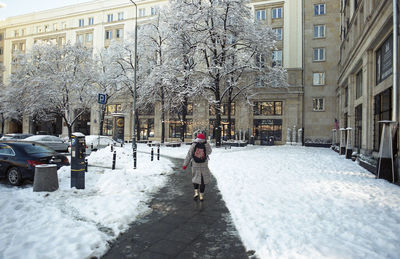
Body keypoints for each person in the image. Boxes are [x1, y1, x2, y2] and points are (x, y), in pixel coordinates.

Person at [182, 133, 212, 201]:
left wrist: (185, 165)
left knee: (195, 178)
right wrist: (206, 143)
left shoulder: (194, 144)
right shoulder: (205, 144)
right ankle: (201, 196)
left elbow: (189, 155)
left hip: (195, 164)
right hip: (204, 164)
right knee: (203, 180)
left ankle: (196, 193)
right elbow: (209, 152)